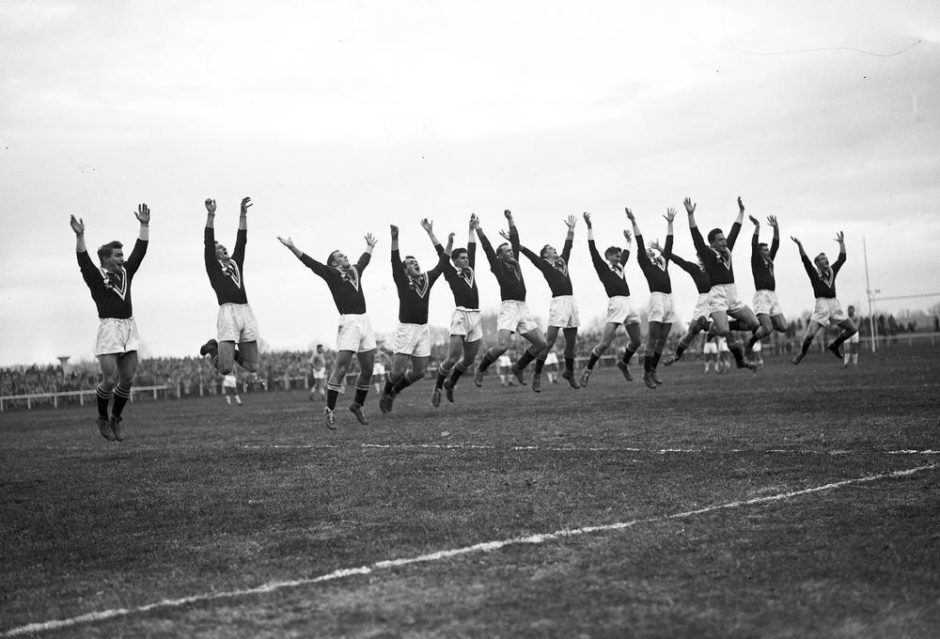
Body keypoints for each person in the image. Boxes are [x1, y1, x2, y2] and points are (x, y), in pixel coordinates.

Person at [278, 233, 378, 429]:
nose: (345, 256)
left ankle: (357, 404)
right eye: (340, 256)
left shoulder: (356, 271)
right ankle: (330, 411)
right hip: (348, 322)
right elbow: (311, 263)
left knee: (368, 369)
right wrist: (292, 247)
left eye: (344, 254)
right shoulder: (331, 274)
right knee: (341, 368)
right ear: (333, 263)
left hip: (365, 321)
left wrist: (369, 247)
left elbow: (364, 261)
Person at [70, 203, 150, 441]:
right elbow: (83, 260)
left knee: (127, 379)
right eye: (117, 255)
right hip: (109, 328)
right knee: (110, 379)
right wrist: (80, 236)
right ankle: (102, 417)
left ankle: (116, 417)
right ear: (106, 259)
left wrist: (144, 225)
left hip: (129, 327)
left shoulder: (126, 272)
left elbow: (140, 252)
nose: (123, 258)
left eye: (122, 255)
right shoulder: (96, 277)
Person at [379, 220, 450, 413]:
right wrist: (395, 239)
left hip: (423, 329)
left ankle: (394, 392)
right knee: (398, 371)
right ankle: (386, 391)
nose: (415, 263)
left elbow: (443, 262)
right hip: (407, 329)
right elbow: (395, 262)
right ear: (405, 270)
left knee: (419, 372)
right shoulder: (402, 280)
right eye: (410, 263)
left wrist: (432, 233)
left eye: (415, 261)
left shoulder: (427, 278)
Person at [472, 211, 548, 387]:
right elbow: (488, 249)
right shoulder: (498, 266)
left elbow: (515, 239)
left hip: (523, 307)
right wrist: (478, 228)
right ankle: (481, 368)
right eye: (506, 251)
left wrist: (510, 219)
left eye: (510, 250)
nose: (511, 252)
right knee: (502, 346)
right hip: (509, 308)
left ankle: (518, 367)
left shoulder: (516, 263)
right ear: (500, 256)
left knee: (541, 343)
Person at [684, 196, 759, 370]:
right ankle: (719, 330)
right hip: (716, 294)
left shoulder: (727, 251)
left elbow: (735, 230)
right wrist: (690, 215)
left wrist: (741, 211)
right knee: (724, 331)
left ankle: (711, 327)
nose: (724, 241)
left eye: (724, 238)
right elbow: (696, 237)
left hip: (732, 293)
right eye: (719, 239)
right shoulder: (708, 254)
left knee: (754, 324)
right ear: (711, 243)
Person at [198, 197, 262, 381]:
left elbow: (242, 240)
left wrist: (243, 214)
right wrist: (211, 214)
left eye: (223, 246)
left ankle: (229, 351)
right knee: (225, 369)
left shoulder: (235, 263)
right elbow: (208, 242)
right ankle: (213, 348)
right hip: (228, 312)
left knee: (253, 366)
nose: (223, 248)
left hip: (245, 311)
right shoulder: (213, 267)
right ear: (213, 254)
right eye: (219, 248)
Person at [517, 214, 582, 392]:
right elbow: (530, 255)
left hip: (571, 302)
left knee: (571, 343)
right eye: (551, 249)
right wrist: (517, 244)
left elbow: (568, 246)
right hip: (559, 303)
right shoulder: (544, 264)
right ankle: (537, 374)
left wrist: (571, 229)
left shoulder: (562, 262)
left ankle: (569, 372)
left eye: (554, 248)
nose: (555, 250)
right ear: (545, 254)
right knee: (549, 341)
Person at [579, 211, 643, 386]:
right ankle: (587, 370)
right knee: (605, 343)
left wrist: (629, 240)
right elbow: (593, 250)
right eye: (614, 254)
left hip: (628, 302)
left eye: (618, 254)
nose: (618, 256)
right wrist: (589, 227)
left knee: (637, 341)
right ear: (608, 257)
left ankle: (623, 363)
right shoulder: (603, 267)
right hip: (616, 303)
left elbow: (627, 254)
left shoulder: (620, 266)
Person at [432, 214, 482, 407]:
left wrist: (471, 229)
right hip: (461, 315)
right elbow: (440, 253)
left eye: (467, 257)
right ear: (454, 261)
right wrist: (437, 236)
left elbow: (473, 248)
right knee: (452, 357)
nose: (466, 259)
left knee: (469, 359)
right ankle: (437, 387)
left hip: (476, 315)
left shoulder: (471, 270)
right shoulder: (450, 273)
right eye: (462, 258)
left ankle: (450, 382)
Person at [626, 207, 677, 389]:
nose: (649, 251)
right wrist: (634, 222)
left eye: (650, 250)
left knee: (663, 340)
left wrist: (670, 224)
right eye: (647, 251)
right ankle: (646, 374)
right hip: (656, 298)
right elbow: (640, 242)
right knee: (652, 339)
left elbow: (669, 245)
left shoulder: (662, 260)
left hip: (669, 298)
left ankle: (653, 370)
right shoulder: (644, 262)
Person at [790, 232, 858, 364]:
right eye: (822, 259)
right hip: (822, 305)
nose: (826, 260)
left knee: (853, 329)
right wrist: (800, 245)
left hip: (834, 304)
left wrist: (841, 243)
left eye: (826, 258)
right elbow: (805, 260)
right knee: (810, 335)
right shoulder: (814, 274)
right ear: (817, 264)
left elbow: (842, 258)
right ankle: (802, 353)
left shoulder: (832, 270)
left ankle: (835, 345)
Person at [746, 213, 788, 351]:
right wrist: (757, 227)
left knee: (783, 327)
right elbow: (753, 244)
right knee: (768, 329)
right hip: (762, 296)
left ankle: (761, 324)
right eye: (765, 249)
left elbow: (776, 244)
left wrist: (776, 228)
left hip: (773, 295)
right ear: (759, 253)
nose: (768, 251)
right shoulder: (756, 262)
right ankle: (751, 341)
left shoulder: (769, 262)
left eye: (767, 249)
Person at [661, 251, 711, 366]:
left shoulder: (716, 267)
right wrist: (662, 250)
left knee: (725, 327)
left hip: (719, 297)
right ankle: (676, 355)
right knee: (692, 331)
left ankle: (743, 356)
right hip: (704, 300)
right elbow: (680, 261)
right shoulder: (695, 268)